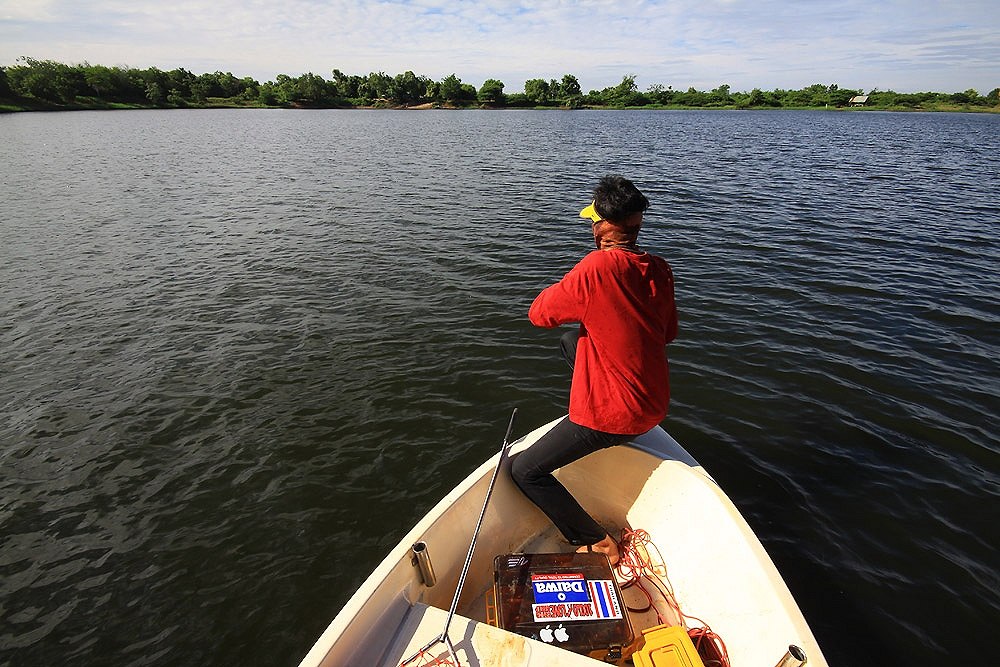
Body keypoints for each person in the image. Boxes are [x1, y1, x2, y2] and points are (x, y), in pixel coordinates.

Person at [511, 174, 678, 566]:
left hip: (615, 416)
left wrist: (579, 285)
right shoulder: (658, 267)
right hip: (653, 406)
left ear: (603, 226)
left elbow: (539, 313)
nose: (590, 226)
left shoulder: (596, 268)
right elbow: (666, 333)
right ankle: (606, 426)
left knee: (525, 471)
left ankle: (597, 541)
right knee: (574, 340)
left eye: (593, 220)